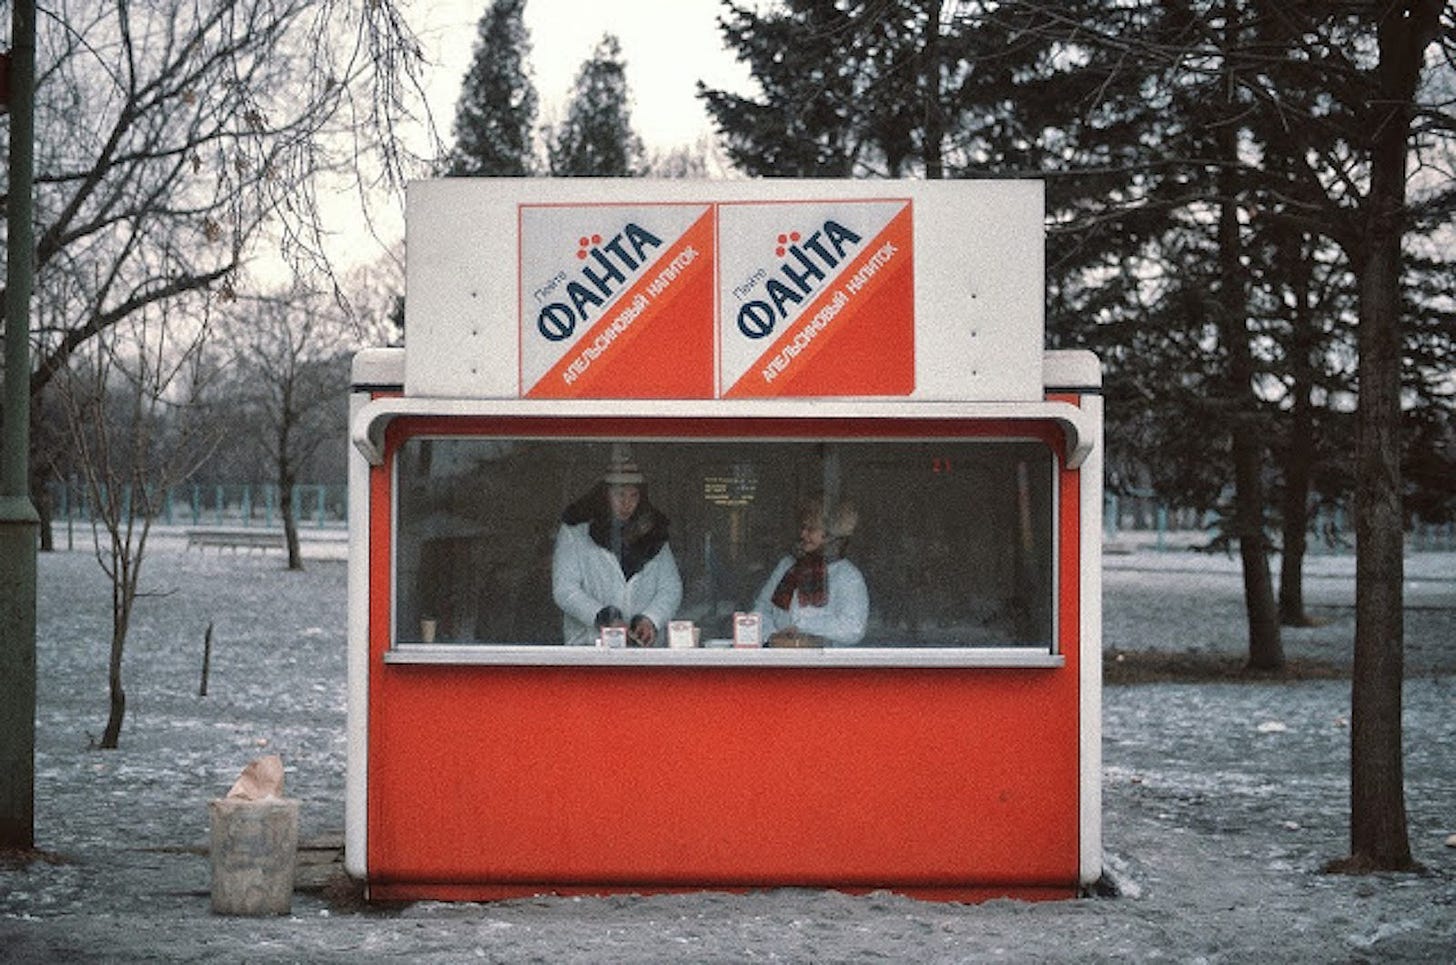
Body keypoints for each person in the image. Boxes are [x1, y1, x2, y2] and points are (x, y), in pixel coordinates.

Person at [551, 450, 682, 647]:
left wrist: (650, 619)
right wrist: (603, 617)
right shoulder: (575, 532)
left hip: (643, 651)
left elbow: (670, 588)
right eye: (619, 494)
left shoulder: (654, 533)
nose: (627, 503)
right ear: (605, 495)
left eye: (634, 495)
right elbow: (565, 589)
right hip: (588, 647)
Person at [753, 495, 868, 647]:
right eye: (802, 527)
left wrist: (800, 627)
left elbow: (853, 628)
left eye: (811, 529)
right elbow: (761, 609)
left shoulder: (847, 575)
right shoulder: (788, 565)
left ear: (830, 535)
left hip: (825, 664)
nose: (803, 534)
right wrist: (772, 636)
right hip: (780, 658)